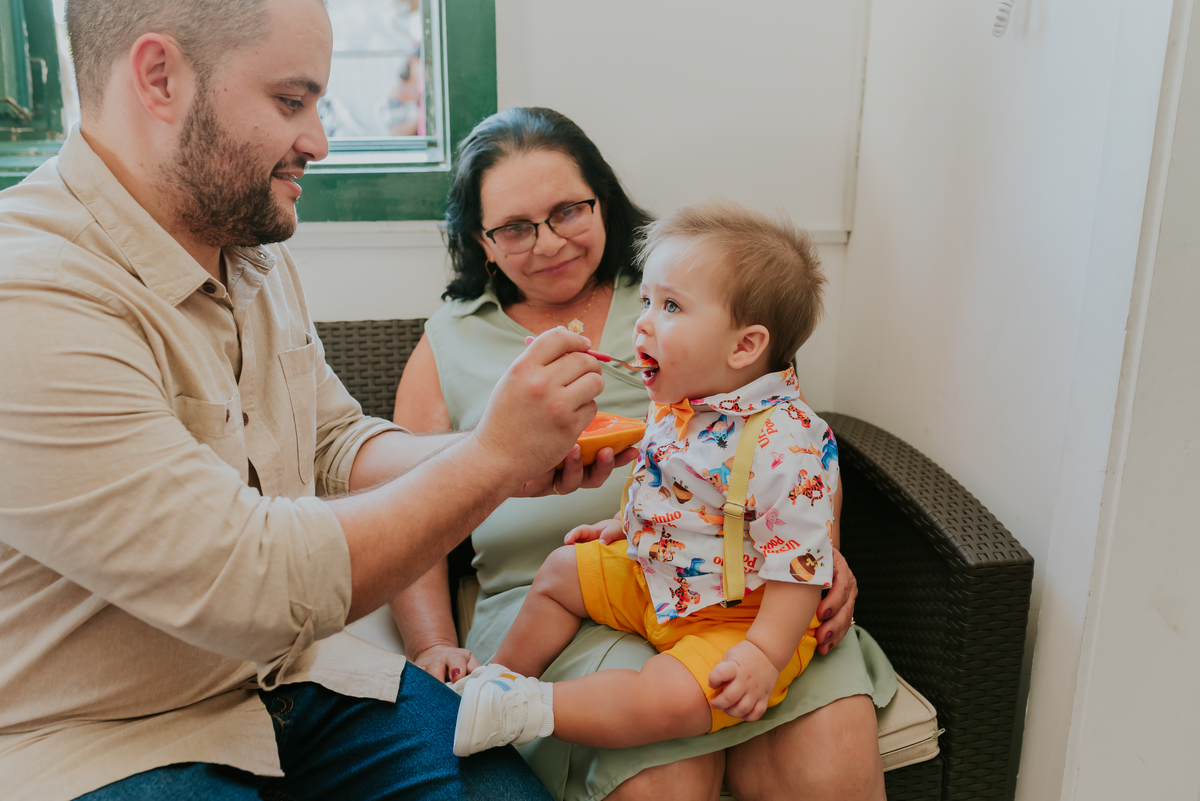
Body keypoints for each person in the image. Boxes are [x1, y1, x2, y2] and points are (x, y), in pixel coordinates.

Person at [0, 2, 628, 799]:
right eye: (291, 102)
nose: (320, 141)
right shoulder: (28, 292)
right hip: (107, 736)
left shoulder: (249, 249)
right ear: (159, 78)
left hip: (291, 682)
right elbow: (248, 581)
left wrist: (511, 455)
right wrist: (489, 460)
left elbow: (334, 446)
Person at [389, 107, 895, 800]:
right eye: (514, 227)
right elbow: (412, 509)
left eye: (568, 210)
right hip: (572, 598)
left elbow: (791, 446)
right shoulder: (450, 343)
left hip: (746, 588)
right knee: (665, 770)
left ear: (604, 198)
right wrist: (429, 645)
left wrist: (818, 556)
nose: (547, 242)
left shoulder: (697, 284)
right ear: (481, 242)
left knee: (828, 758)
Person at [451, 201, 853, 764]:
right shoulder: (681, 398)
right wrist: (625, 525)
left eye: (669, 306)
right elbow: (672, 488)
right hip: (654, 578)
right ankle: (493, 684)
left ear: (744, 347)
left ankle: (531, 710)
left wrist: (763, 654)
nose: (642, 322)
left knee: (669, 696)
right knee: (562, 570)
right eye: (645, 301)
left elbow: (800, 568)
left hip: (738, 614)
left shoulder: (786, 443)